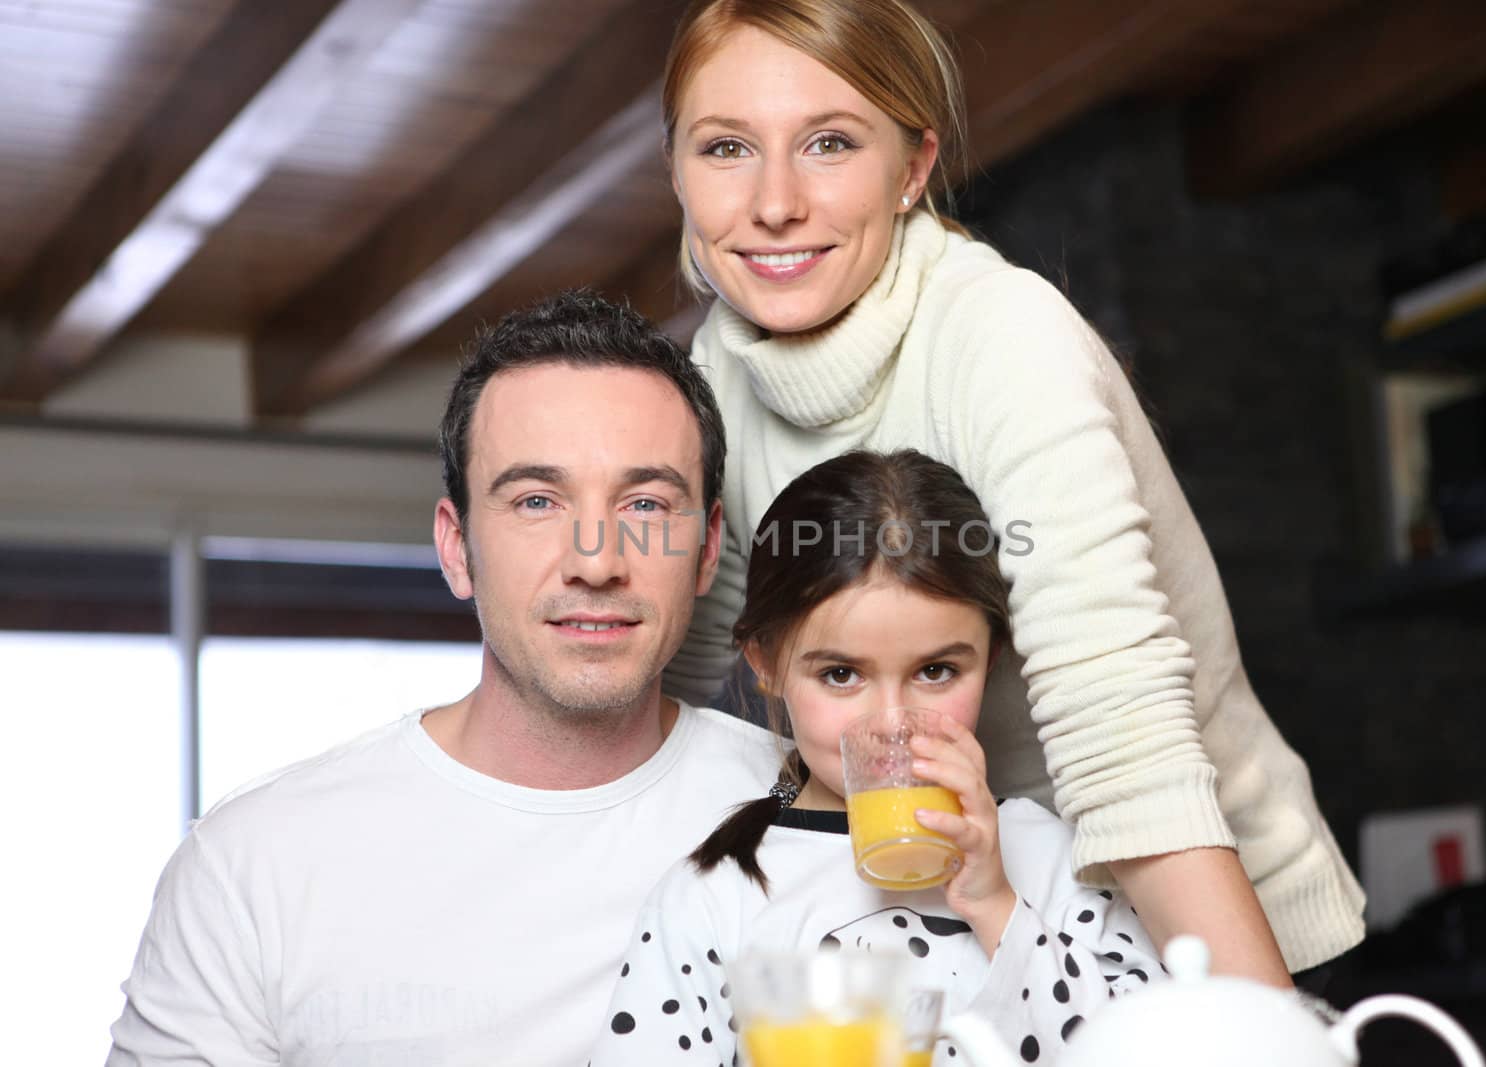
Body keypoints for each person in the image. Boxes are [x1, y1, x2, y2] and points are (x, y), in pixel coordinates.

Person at [657, 0, 1366, 982]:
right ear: (677, 171)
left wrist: (1249, 1027)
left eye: (828, 142)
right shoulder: (716, 377)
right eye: (726, 147)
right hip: (957, 932)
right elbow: (689, 697)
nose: (774, 201)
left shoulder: (1003, 343)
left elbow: (1124, 734)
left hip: (1173, 920)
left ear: (911, 168)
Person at [107, 291, 779, 1066]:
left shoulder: (817, 812)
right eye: (536, 500)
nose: (597, 560)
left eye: (647, 503)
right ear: (457, 548)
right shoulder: (254, 865)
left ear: (706, 551)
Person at [591, 450, 1164, 1067]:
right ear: (765, 664)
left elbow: (1151, 1049)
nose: (892, 725)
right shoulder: (714, 897)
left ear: (991, 657)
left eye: (937, 670)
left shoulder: (1046, 859)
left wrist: (996, 903)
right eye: (841, 674)